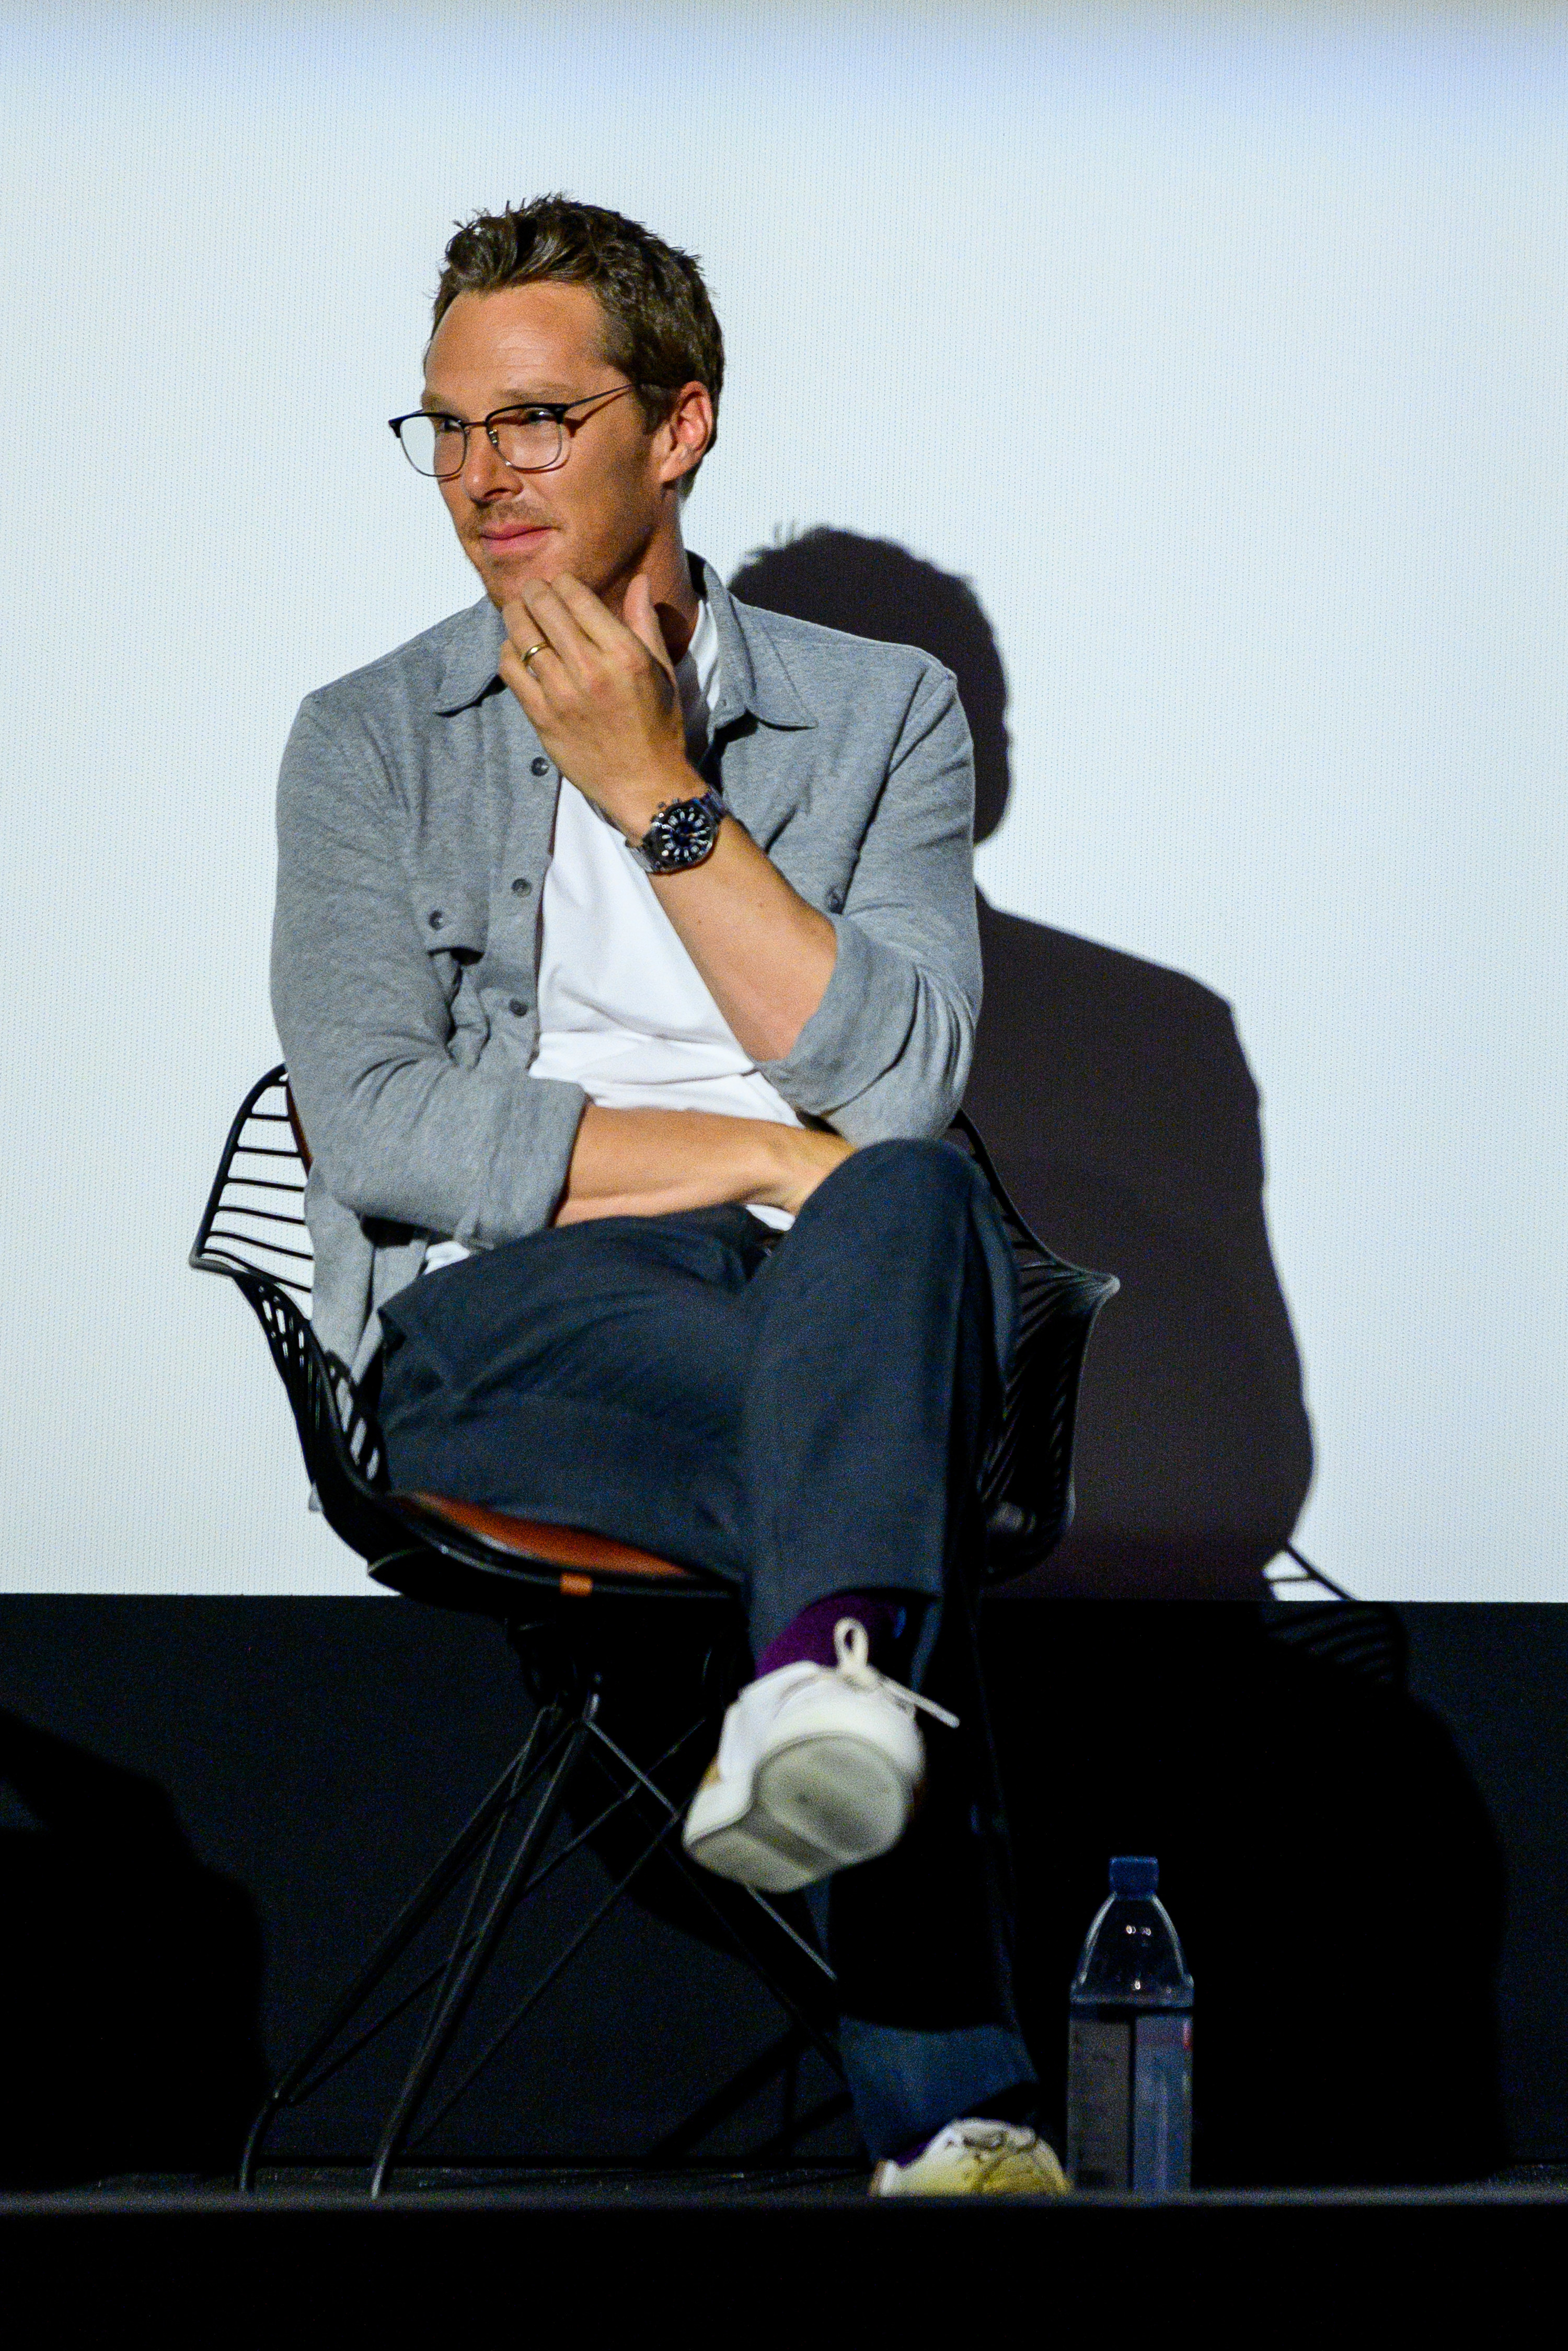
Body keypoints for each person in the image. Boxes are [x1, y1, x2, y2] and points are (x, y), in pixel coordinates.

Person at [271, 194, 1060, 2196]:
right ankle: (868, 1754)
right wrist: (747, 1154)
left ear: (680, 422)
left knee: (897, 1221)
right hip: (532, 1309)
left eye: (537, 420)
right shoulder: (370, 739)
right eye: (447, 429)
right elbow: (371, 1124)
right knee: (869, 1376)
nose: (481, 478)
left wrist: (651, 786)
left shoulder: (879, 716)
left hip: (833, 1282)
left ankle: (836, 1710)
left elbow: (898, 1089)